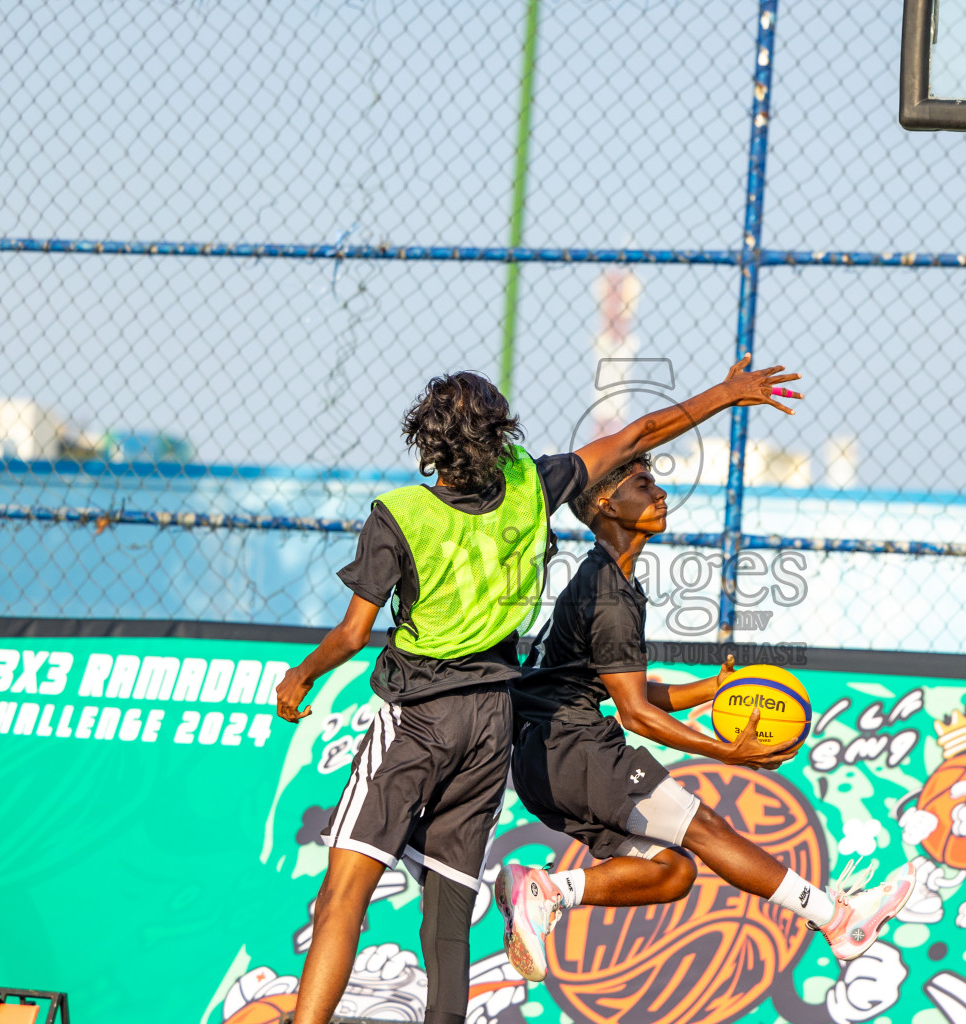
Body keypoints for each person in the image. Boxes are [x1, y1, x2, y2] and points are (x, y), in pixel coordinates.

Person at [272, 356, 802, 1024]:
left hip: (419, 717)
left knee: (345, 889)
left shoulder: (401, 513)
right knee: (448, 922)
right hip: (493, 725)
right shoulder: (531, 485)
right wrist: (725, 395)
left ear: (426, 442)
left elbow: (353, 636)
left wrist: (301, 674)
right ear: (499, 436)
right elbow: (639, 433)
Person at [494, 454, 914, 983]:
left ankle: (551, 891)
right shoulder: (610, 594)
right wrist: (726, 752)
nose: (660, 493)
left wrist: (712, 689)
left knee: (671, 872)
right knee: (707, 829)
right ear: (606, 503)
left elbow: (629, 688)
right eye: (643, 484)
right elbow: (635, 714)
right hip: (572, 747)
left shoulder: (605, 579)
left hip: (544, 760)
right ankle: (837, 920)